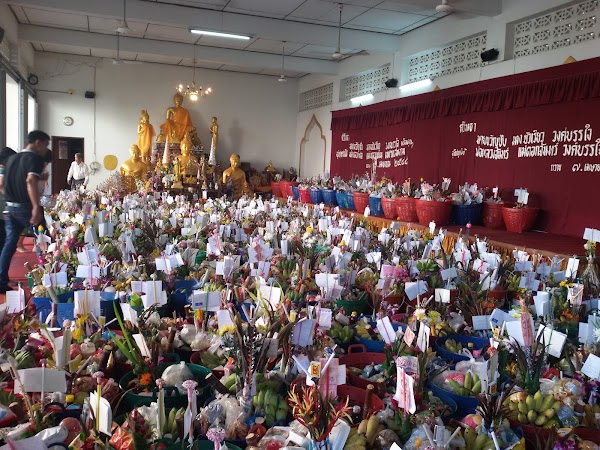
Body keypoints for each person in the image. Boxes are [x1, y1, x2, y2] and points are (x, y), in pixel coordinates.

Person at [0, 130, 50, 293]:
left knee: (9, 243)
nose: (45, 149)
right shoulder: (34, 158)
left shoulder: (12, 159)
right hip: (25, 207)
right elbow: (30, 180)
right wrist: (35, 206)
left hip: (9, 208)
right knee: (44, 240)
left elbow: (3, 184)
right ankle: (50, 277)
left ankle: (1, 280)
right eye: (45, 145)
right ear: (38, 142)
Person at [0, 147, 17, 262]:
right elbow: (1, 184)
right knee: (3, 241)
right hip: (2, 210)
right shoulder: (2, 169)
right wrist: (9, 197)